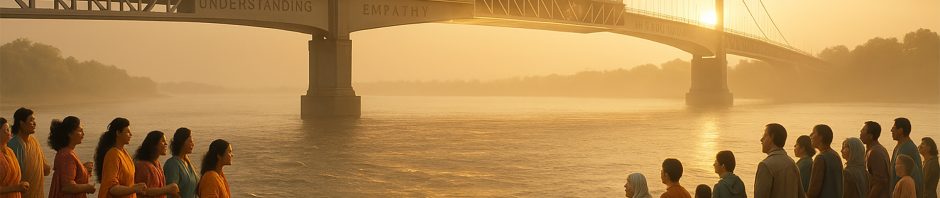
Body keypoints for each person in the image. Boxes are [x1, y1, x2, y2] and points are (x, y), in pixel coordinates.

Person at [94, 118, 147, 198]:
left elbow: (126, 183)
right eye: (128, 132)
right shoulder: (113, 154)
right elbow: (112, 188)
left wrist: (135, 187)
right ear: (118, 133)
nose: (131, 134)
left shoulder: (124, 153)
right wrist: (133, 189)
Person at [48, 116, 96, 198]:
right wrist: (88, 187)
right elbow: (68, 187)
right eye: (80, 130)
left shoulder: (66, 152)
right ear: (70, 134)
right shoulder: (67, 155)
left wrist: (84, 169)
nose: (83, 134)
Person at [7, 108, 50, 198]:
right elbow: (12, 176)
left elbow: (46, 170)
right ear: (21, 123)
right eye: (31, 120)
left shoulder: (34, 141)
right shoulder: (13, 145)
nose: (34, 123)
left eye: (34, 120)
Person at [754, 123, 806, 198]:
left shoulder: (765, 165)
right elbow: (801, 195)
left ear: (772, 137)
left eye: (765, 135)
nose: (761, 139)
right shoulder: (792, 163)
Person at [134, 131, 180, 198]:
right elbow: (141, 191)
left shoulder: (157, 164)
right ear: (154, 145)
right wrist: (167, 189)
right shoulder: (141, 166)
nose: (166, 144)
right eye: (163, 141)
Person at [891, 118, 925, 198]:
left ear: (901, 130)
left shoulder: (908, 148)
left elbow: (901, 175)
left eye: (894, 128)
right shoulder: (900, 146)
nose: (891, 130)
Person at [807, 124, 844, 198]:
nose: (810, 135)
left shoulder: (821, 158)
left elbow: (814, 189)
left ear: (821, 137)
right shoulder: (835, 155)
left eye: (813, 133)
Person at [164, 128, 199, 198]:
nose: (193, 144)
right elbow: (172, 192)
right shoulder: (172, 164)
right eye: (190, 141)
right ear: (182, 142)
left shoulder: (188, 163)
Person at [859, 121, 890, 198]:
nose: (860, 132)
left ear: (870, 136)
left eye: (863, 130)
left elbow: (880, 182)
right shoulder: (878, 149)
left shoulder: (875, 152)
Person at [1, 117, 29, 198]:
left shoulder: (10, 151)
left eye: (9, 130)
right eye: (6, 130)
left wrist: (21, 185)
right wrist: (16, 188)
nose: (9, 133)